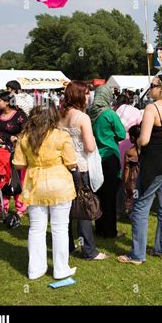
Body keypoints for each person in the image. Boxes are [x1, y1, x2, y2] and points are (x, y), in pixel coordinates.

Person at [118, 74, 162, 265]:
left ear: (161, 88)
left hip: (155, 163)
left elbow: (144, 140)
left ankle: (137, 255)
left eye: (152, 85)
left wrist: (134, 138)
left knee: (140, 207)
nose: (150, 89)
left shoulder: (152, 108)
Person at [13, 105, 77, 280]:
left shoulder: (24, 137)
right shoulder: (61, 135)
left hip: (35, 185)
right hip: (59, 184)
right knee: (60, 228)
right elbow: (71, 162)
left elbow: (18, 164)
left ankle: (35, 270)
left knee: (36, 229)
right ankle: (60, 269)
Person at [59, 81, 108, 261]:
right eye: (86, 93)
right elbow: (89, 146)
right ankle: (89, 250)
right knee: (84, 210)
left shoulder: (60, 115)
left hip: (63, 166)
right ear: (80, 95)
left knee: (65, 209)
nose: (89, 97)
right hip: (80, 167)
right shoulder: (82, 118)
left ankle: (68, 246)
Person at [88, 86, 126, 238]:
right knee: (110, 195)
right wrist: (111, 138)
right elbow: (122, 134)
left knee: (98, 192)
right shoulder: (110, 114)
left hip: (95, 157)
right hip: (109, 156)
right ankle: (110, 231)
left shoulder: (90, 114)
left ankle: (99, 227)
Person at [0, 91, 28, 215]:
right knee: (2, 179)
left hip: (16, 153)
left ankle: (20, 208)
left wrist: (17, 138)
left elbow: (27, 133)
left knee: (17, 179)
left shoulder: (20, 115)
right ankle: (3, 206)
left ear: (7, 102)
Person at [113, 94, 143, 217]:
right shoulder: (136, 111)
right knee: (133, 179)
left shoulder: (116, 112)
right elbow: (140, 127)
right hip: (132, 146)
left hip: (118, 144)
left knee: (120, 179)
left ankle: (119, 209)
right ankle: (132, 209)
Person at [123, 125, 140, 215]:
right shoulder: (146, 151)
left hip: (132, 180)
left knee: (131, 197)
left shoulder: (129, 152)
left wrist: (125, 182)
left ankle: (131, 213)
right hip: (143, 178)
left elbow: (126, 169)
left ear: (133, 137)